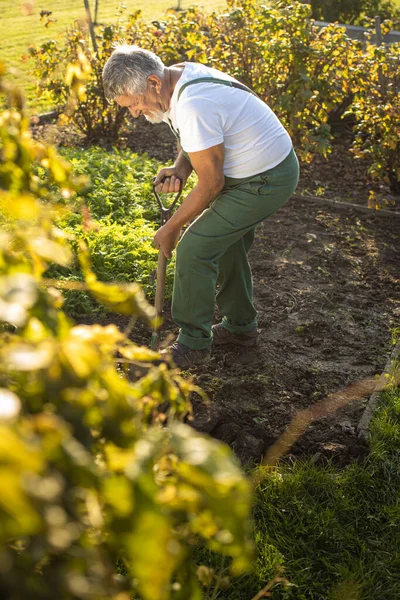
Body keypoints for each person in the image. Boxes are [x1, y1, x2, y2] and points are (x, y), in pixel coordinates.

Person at [102, 44, 299, 368]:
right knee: (225, 246)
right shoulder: (176, 79)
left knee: (195, 248)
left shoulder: (194, 102)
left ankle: (193, 345)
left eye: (134, 104)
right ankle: (240, 327)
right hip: (249, 170)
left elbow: (211, 184)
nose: (134, 113)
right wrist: (181, 168)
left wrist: (172, 227)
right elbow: (195, 136)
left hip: (265, 179)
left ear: (152, 82)